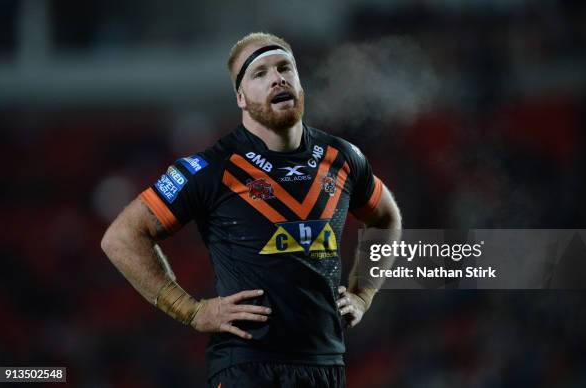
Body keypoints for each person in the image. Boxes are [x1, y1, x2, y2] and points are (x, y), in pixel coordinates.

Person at [101, 32, 402, 388]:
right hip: (247, 366)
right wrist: (191, 311)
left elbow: (386, 217)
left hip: (326, 364)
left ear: (299, 83)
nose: (277, 78)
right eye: (260, 73)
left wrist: (363, 295)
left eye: (284, 68)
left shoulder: (343, 158)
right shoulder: (211, 167)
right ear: (241, 98)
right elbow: (121, 237)